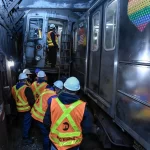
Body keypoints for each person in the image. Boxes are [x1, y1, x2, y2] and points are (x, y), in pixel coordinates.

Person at [43, 77, 92, 150]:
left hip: (56, 144)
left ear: (64, 88)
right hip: (73, 145)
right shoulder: (83, 107)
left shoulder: (53, 103)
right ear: (77, 90)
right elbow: (87, 128)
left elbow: (46, 122)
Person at [31, 80, 63, 150]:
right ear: (57, 89)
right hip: (41, 117)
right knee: (47, 136)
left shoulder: (46, 90)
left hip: (35, 114)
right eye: (60, 90)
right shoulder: (53, 97)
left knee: (44, 133)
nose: (59, 92)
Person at [11, 73, 35, 145]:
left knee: (23, 123)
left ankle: (24, 134)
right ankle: (25, 138)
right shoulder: (26, 88)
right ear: (25, 80)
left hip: (18, 109)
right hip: (26, 109)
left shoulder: (13, 87)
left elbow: (12, 98)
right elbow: (31, 100)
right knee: (27, 123)